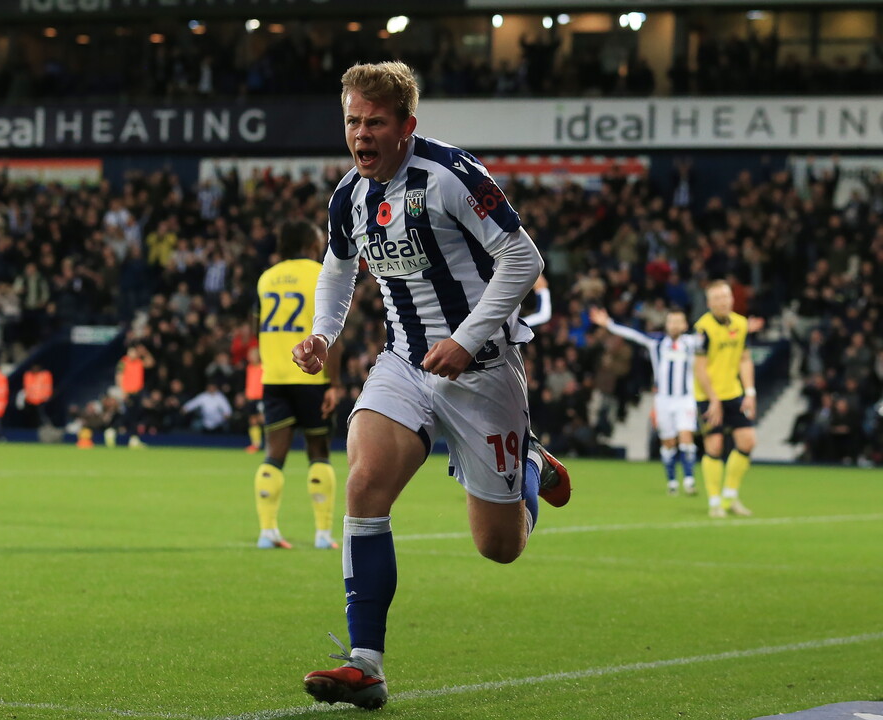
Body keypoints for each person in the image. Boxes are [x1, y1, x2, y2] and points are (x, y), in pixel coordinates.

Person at [292, 61, 571, 710]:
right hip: (403, 364)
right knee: (362, 483)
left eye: (375, 122)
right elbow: (337, 268)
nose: (361, 134)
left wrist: (467, 338)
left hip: (482, 372)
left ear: (406, 126)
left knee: (499, 548)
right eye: (352, 122)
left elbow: (523, 257)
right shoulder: (350, 196)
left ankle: (527, 462)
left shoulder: (451, 176)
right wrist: (323, 335)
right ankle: (366, 663)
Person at [254, 219, 343, 551]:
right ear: (309, 243)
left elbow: (256, 326)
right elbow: (332, 333)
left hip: (274, 376)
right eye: (319, 238)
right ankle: (322, 534)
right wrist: (333, 383)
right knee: (318, 452)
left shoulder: (266, 278)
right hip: (311, 374)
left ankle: (267, 532)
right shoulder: (321, 273)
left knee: (274, 454)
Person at [590, 306, 700, 495]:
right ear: (666, 324)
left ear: (684, 325)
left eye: (677, 322)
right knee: (668, 442)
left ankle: (689, 480)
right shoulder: (656, 342)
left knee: (686, 437)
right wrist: (608, 324)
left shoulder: (691, 343)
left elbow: (715, 337)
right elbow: (632, 334)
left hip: (685, 399)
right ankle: (672, 481)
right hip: (663, 400)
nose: (674, 325)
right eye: (671, 321)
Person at [693, 280, 761, 518]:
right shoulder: (703, 329)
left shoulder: (741, 324)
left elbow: (744, 359)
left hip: (733, 393)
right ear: (710, 303)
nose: (723, 301)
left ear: (732, 299)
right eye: (717, 298)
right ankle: (714, 502)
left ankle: (730, 496)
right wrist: (713, 399)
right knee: (715, 445)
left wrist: (749, 392)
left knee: (748, 441)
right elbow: (700, 368)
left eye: (726, 297)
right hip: (707, 395)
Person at [23, 364, 54, 428]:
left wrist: (46, 397)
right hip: (31, 401)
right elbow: (28, 387)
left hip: (42, 400)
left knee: (42, 415)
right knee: (31, 416)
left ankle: (47, 427)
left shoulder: (45, 375)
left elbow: (47, 387)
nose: (35, 369)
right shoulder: (28, 375)